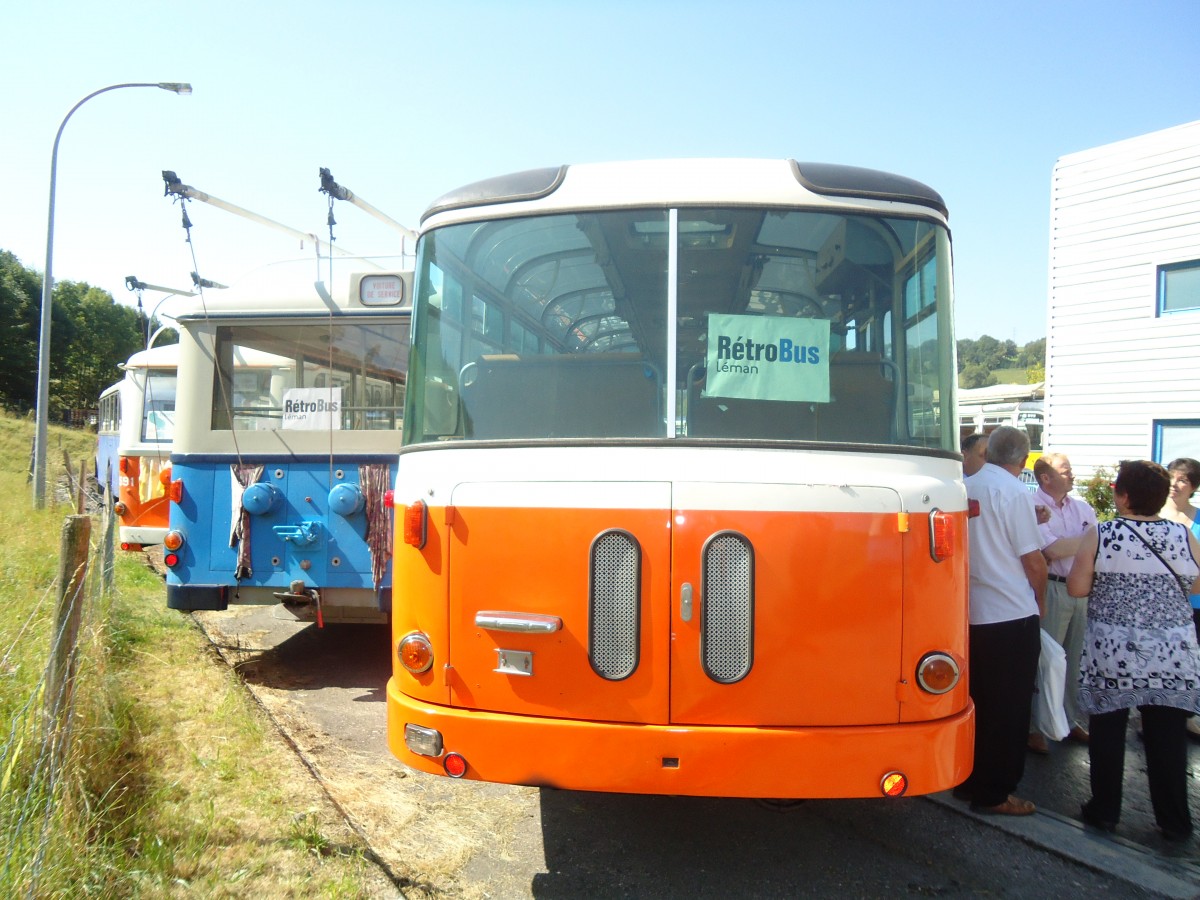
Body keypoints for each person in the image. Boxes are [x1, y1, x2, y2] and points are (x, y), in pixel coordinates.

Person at [1068, 460, 1200, 840]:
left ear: (1122, 495)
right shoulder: (1182, 534)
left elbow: (1076, 588)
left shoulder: (1102, 534)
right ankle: (1175, 821)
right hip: (1171, 653)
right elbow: (1196, 584)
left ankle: (1104, 811)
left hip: (1114, 652)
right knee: (1168, 740)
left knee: (1108, 732)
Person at [954, 425, 1047, 816]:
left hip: (971, 611)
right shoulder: (1012, 492)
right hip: (1010, 613)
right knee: (1009, 711)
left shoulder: (966, 487)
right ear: (1022, 460)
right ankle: (995, 792)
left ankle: (968, 779)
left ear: (988, 452)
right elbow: (1033, 561)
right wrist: (1039, 605)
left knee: (978, 703)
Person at [1027, 453, 1096, 754]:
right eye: (1067, 471)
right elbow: (1051, 550)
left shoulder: (1083, 508)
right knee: (1046, 659)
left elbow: (1091, 549)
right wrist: (1090, 540)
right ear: (1046, 477)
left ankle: (1068, 718)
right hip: (1052, 589)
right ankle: (1035, 726)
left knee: (1073, 658)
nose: (1073, 475)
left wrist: (1081, 544)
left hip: (1081, 591)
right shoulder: (1032, 506)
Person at [1161, 457, 1200, 738]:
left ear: (1193, 486)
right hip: (1160, 604)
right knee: (1158, 659)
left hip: (1195, 604)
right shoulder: (1155, 515)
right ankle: (1149, 712)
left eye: (1183, 479)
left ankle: (1186, 713)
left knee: (1192, 661)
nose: (1175, 484)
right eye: (1172, 477)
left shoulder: (1198, 518)